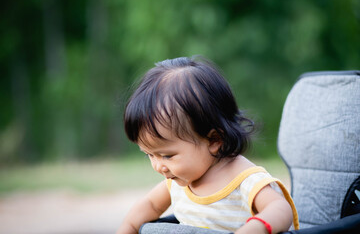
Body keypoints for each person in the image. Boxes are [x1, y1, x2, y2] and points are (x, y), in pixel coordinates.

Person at [117, 56, 299, 234]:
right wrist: (130, 228)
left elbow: (280, 208)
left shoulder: (244, 180)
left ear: (214, 140)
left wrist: (257, 227)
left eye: (167, 156)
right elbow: (150, 205)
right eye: (149, 154)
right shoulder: (178, 182)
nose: (158, 166)